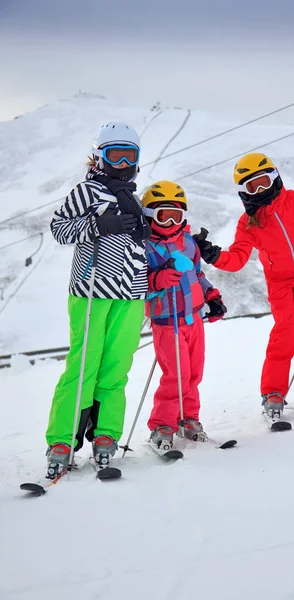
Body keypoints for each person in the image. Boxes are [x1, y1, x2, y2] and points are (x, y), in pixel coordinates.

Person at [193, 153, 294, 422]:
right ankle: (273, 393)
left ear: (275, 177)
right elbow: (237, 259)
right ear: (244, 192)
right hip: (279, 282)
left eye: (263, 182)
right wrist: (213, 254)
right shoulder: (249, 223)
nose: (260, 190)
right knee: (285, 333)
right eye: (252, 187)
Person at [46, 121, 150, 477]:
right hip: (91, 290)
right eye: (114, 155)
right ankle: (62, 439)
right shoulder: (86, 191)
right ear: (98, 157)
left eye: (129, 155)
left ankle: (106, 435)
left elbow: (138, 245)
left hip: (131, 292)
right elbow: (59, 229)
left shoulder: (134, 198)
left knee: (116, 366)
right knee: (83, 363)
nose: (122, 163)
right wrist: (95, 224)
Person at [141, 180, 227, 449]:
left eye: (176, 216)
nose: (170, 223)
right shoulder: (143, 247)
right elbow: (135, 283)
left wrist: (211, 295)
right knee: (175, 376)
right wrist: (156, 280)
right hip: (167, 322)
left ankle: (188, 419)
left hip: (194, 320)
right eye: (163, 216)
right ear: (148, 215)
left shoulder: (188, 243)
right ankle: (161, 425)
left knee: (193, 375)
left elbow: (197, 274)